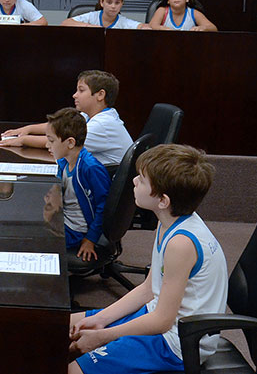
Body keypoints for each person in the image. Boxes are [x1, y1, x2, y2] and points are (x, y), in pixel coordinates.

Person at [68, 144, 227, 374]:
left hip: (177, 343)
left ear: (163, 200)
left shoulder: (181, 243)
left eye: (142, 180)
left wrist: (103, 337)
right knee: (63, 326)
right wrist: (101, 320)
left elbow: (162, 321)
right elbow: (148, 289)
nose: (133, 181)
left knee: (73, 370)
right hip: (157, 316)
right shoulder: (169, 220)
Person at [0, 70, 133, 167]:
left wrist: (22, 140)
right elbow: (59, 126)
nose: (75, 95)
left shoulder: (103, 125)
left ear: (100, 95)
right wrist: (28, 129)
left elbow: (61, 143)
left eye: (81, 90)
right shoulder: (89, 115)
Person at [45, 107, 111, 262]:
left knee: (36, 241)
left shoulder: (91, 168)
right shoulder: (63, 162)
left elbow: (105, 206)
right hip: (64, 219)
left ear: (70, 143)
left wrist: (91, 239)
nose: (48, 145)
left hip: (77, 230)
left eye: (51, 140)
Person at [61, 0, 150, 30]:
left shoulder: (123, 22)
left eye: (117, 3)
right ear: (101, 2)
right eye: (109, 2)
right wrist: (90, 26)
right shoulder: (92, 16)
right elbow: (65, 23)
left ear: (122, 3)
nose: (113, 6)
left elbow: (143, 27)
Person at [148, 0, 217, 31]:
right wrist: (164, 29)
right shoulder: (162, 11)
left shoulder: (194, 13)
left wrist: (202, 28)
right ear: (167, 0)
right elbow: (151, 26)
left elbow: (213, 28)